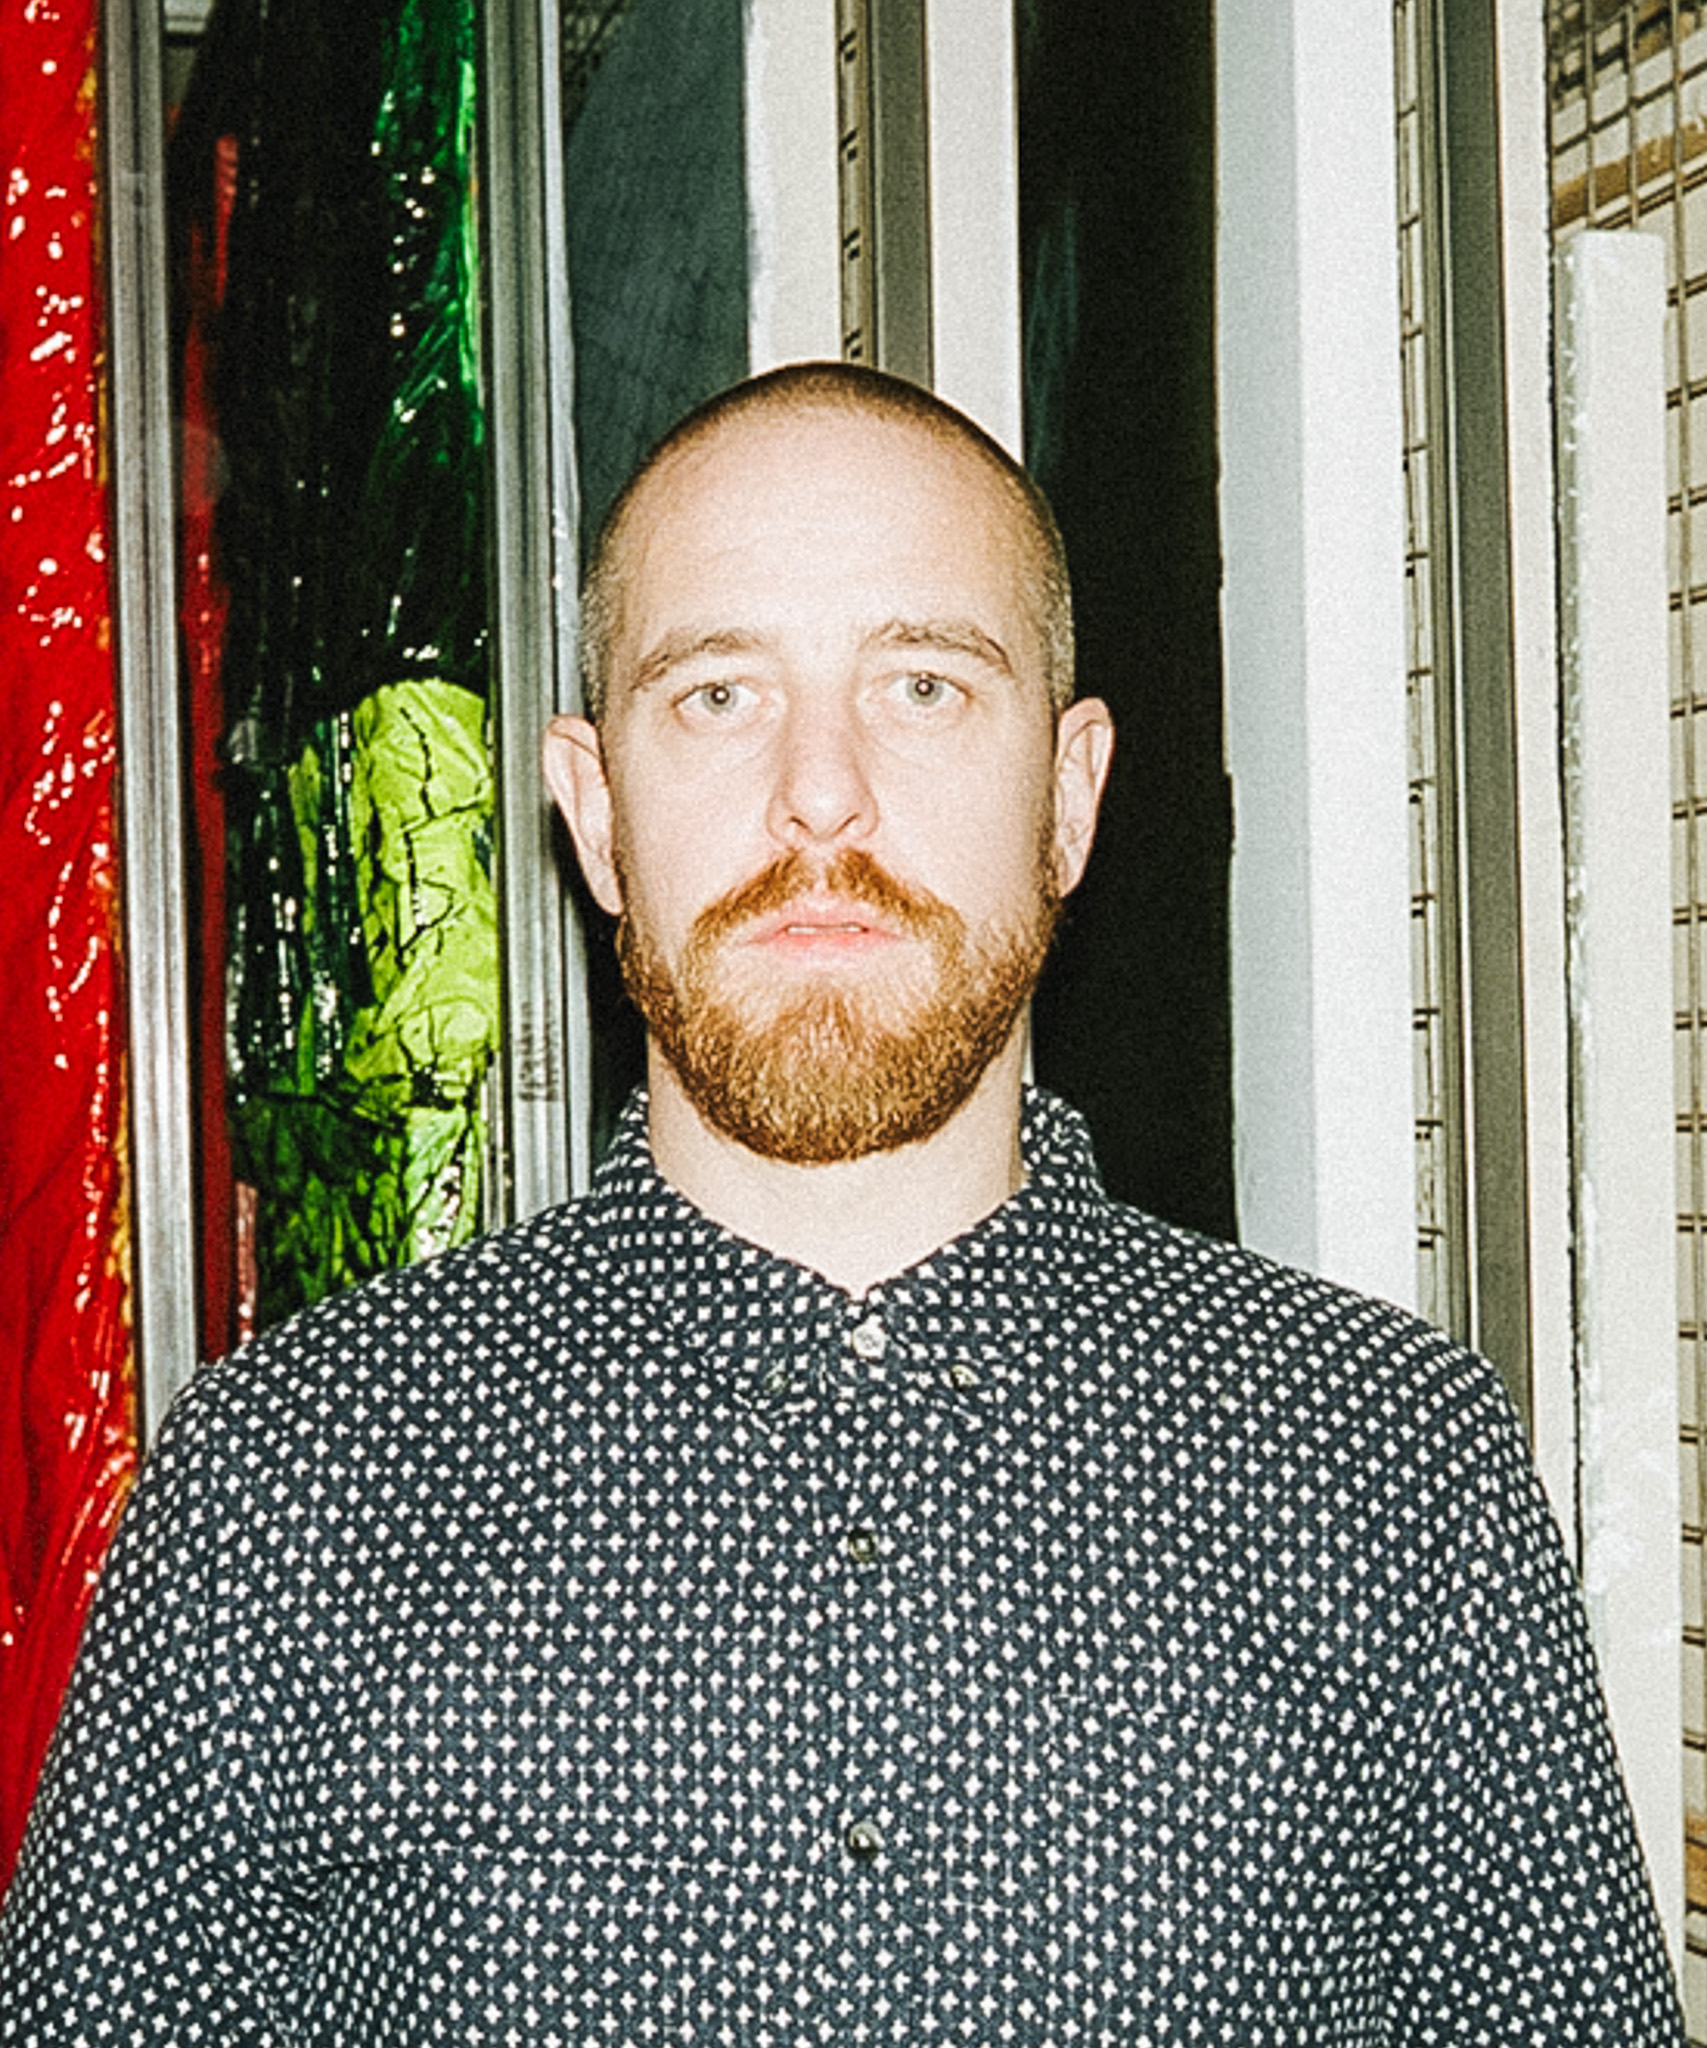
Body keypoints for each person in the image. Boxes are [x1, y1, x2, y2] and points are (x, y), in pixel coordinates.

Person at [0, 362, 1683, 2044]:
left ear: (1070, 794)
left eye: (924, 686)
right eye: (718, 693)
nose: (821, 792)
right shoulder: (289, 1479)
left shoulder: (1389, 1465)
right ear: (593, 810)